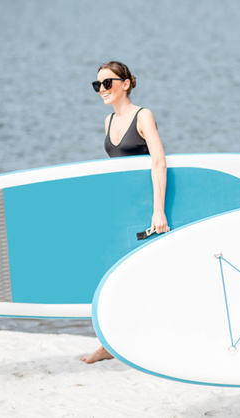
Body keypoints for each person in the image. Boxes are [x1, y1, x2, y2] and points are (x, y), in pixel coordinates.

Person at [81, 61, 170, 364]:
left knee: (148, 276)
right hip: (121, 210)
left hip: (147, 209)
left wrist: (158, 211)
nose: (102, 89)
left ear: (126, 83)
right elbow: (114, 172)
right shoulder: (108, 122)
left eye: (108, 83)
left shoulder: (143, 116)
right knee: (109, 275)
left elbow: (158, 162)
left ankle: (156, 341)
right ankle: (109, 344)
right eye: (98, 85)